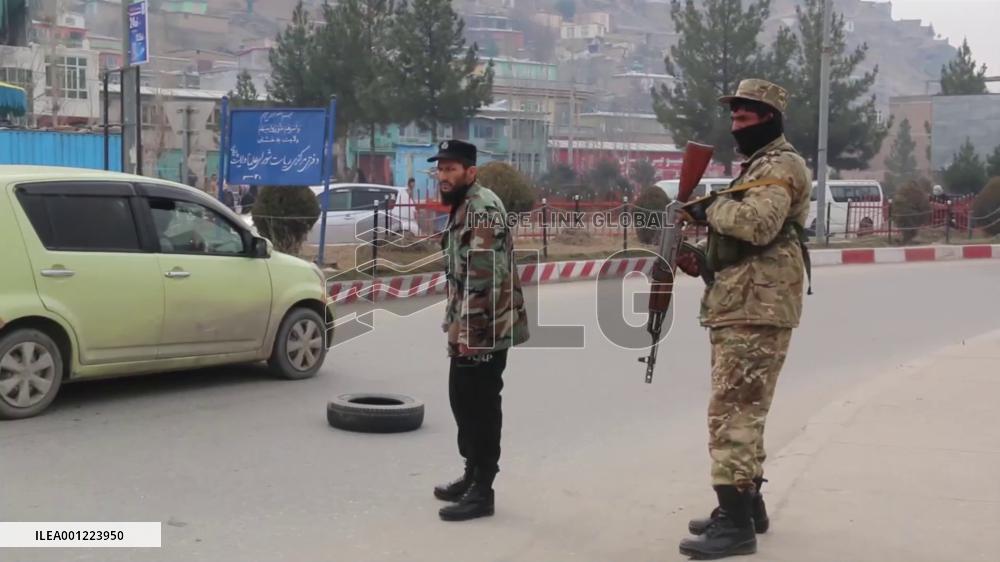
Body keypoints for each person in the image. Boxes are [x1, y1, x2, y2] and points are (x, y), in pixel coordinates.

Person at [674, 79, 812, 559]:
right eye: (733, 117)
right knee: (745, 410)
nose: (736, 126)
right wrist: (701, 261)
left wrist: (708, 206)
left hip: (758, 309)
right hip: (744, 302)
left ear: (769, 118)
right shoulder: (759, 166)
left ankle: (735, 527)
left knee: (731, 414)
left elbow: (756, 225)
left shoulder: (781, 165)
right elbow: (745, 250)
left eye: (745, 118)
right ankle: (747, 508)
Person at [429, 139, 530, 522]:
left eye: (451, 169)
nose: (443, 175)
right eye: (440, 169)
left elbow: (483, 279)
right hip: (468, 324)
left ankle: (483, 489)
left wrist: (470, 336)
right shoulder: (463, 207)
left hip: (485, 327)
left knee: (482, 405)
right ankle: (471, 473)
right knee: (461, 398)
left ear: (470, 172)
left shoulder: (482, 210)